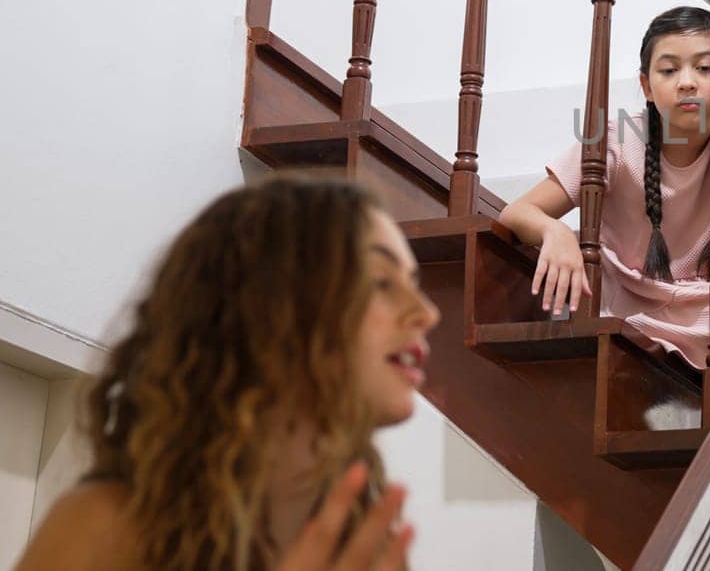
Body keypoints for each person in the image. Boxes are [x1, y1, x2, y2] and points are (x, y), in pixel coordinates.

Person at [18, 174, 439, 570]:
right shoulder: (102, 528)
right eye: (382, 281)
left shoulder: (359, 539)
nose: (427, 313)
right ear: (269, 310)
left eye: (415, 282)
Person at [499, 5, 710, 372]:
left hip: (703, 299)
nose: (687, 81)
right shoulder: (617, 140)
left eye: (705, 68)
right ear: (646, 85)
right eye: (669, 70)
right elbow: (516, 211)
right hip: (634, 306)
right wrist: (556, 232)